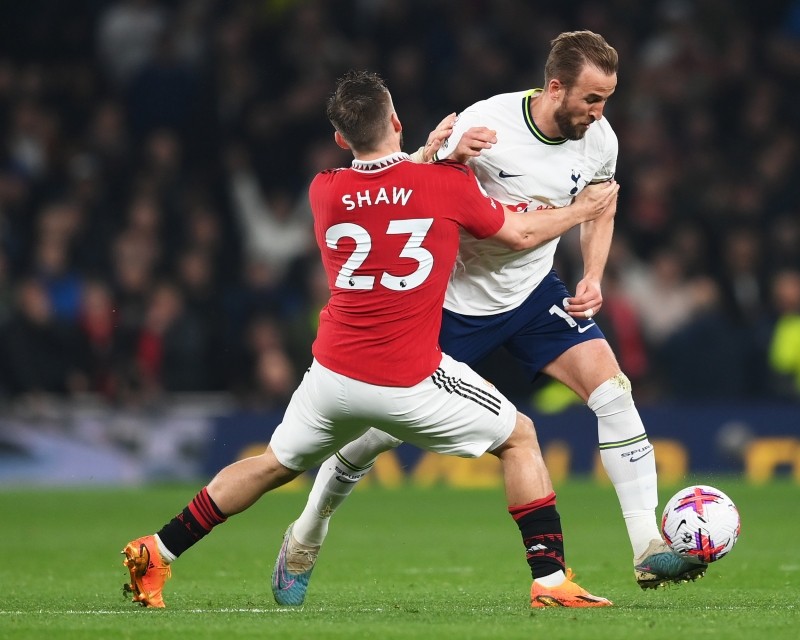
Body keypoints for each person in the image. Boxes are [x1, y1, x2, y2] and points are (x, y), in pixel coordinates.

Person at [121, 70, 618, 609]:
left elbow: (388, 190)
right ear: (398, 122)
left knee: (272, 465)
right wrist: (580, 211)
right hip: (408, 377)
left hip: (331, 374)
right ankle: (549, 582)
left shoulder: (324, 190)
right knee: (519, 437)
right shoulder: (443, 185)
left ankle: (158, 549)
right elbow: (520, 233)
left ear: (340, 139)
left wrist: (435, 151)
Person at [275, 30, 706, 607]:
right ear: (556, 87)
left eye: (607, 98)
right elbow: (411, 178)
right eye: (592, 99)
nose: (601, 112)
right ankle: (305, 536)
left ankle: (647, 546)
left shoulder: (599, 140)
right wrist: (440, 151)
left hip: (532, 294)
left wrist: (593, 277)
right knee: (371, 436)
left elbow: (602, 205)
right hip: (453, 303)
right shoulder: (488, 122)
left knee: (613, 389)